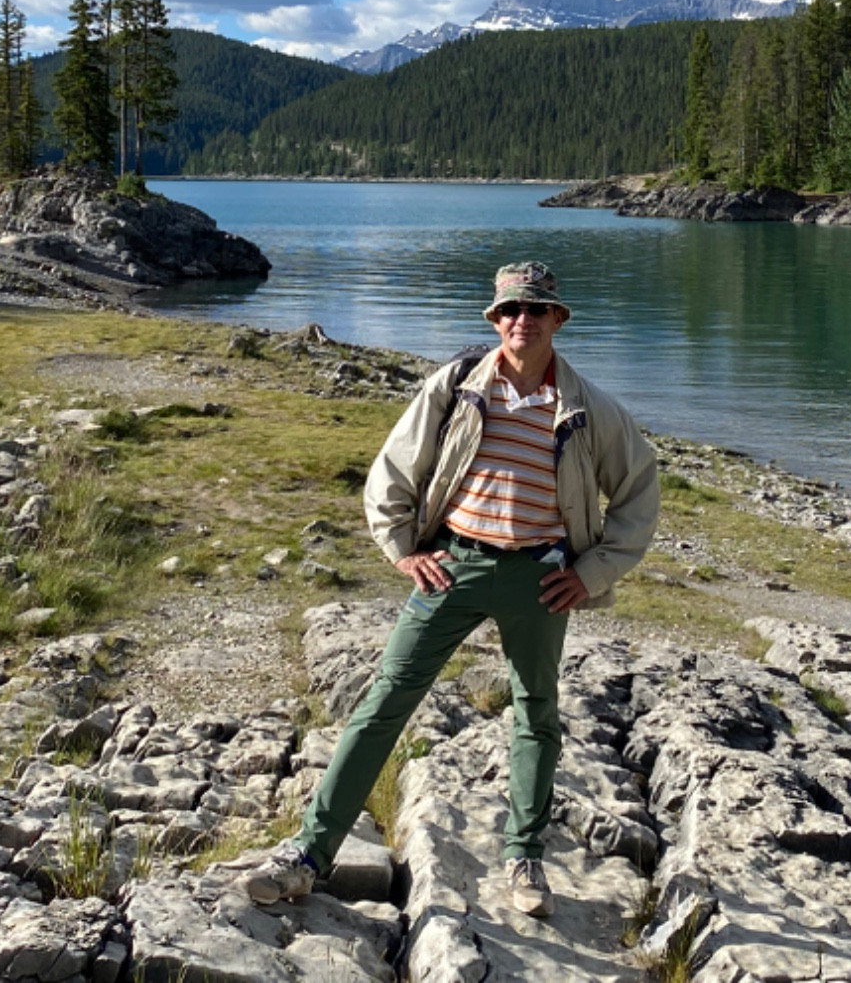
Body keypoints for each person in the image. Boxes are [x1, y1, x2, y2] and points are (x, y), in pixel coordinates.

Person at [242, 261, 659, 918]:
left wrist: (591, 573)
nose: (523, 320)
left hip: (542, 579)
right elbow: (394, 466)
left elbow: (639, 492)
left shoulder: (588, 408)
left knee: (536, 714)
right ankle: (309, 855)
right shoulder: (459, 384)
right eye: (510, 310)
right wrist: (404, 550)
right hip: (452, 566)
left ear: (557, 318)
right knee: (384, 703)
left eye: (536, 309)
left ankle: (524, 858)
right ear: (495, 320)